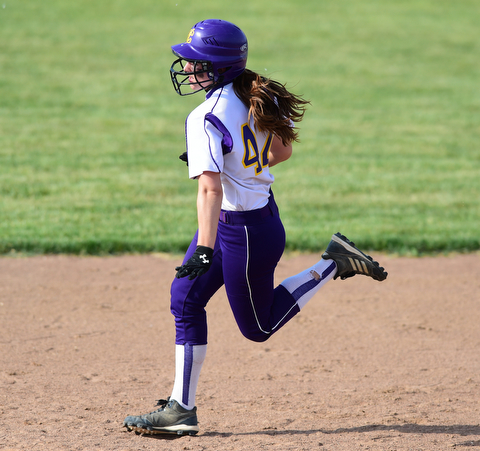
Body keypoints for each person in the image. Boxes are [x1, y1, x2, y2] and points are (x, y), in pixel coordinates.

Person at [124, 19, 387, 436]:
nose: (188, 67)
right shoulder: (254, 94)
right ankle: (181, 409)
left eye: (198, 62)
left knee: (259, 328)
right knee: (185, 298)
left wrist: (205, 248)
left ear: (220, 67)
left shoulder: (205, 115)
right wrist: (237, 166)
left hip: (244, 234)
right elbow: (281, 152)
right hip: (251, 221)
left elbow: (209, 191)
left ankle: (334, 263)